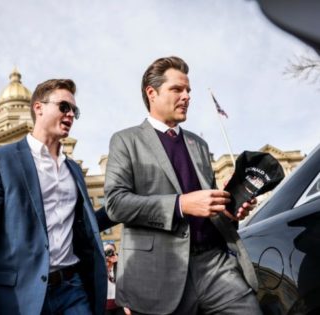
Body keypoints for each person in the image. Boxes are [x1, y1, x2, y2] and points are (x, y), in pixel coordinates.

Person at [104, 56, 262, 315]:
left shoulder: (198, 144)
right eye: (177, 89)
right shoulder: (125, 140)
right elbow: (115, 204)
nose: (187, 96)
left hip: (215, 265)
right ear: (152, 93)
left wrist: (230, 210)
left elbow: (209, 206)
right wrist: (181, 204)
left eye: (188, 90)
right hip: (159, 272)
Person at [0, 78, 114, 315]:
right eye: (64, 107)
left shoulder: (72, 170)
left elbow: (82, 229)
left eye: (75, 110)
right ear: (38, 108)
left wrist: (123, 207)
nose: (71, 114)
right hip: (23, 295)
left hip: (72, 288)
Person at [104, 242, 124, 315]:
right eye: (106, 252)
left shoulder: (120, 264)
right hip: (106, 305)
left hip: (119, 304)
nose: (109, 253)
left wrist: (119, 262)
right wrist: (106, 264)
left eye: (111, 251)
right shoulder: (101, 265)